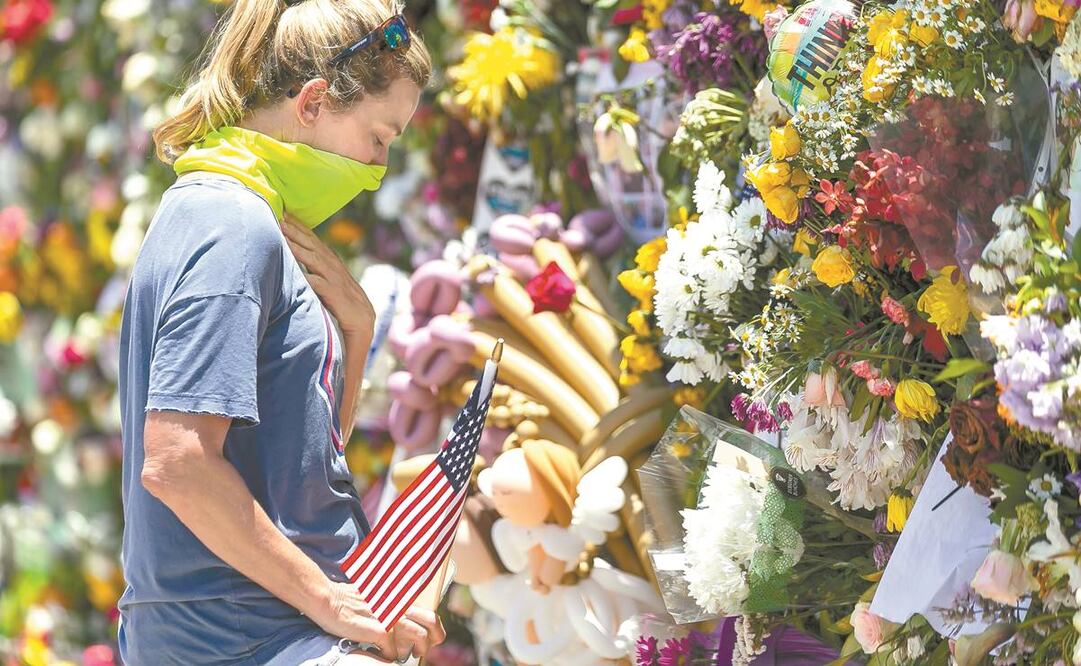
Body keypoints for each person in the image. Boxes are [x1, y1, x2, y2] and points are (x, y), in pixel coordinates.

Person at [116, 0, 444, 663]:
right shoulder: (230, 225)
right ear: (314, 101)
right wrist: (327, 599)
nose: (377, 168)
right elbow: (179, 462)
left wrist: (356, 333)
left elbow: (287, 463)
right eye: (379, 137)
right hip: (248, 638)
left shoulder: (226, 212)